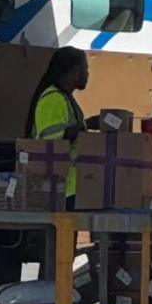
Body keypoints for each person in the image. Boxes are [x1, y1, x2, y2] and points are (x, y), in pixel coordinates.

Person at [24, 46, 90, 206]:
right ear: (74, 72)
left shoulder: (66, 98)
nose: (88, 74)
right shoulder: (53, 99)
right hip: (58, 188)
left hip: (68, 187)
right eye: (85, 69)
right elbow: (52, 142)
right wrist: (84, 131)